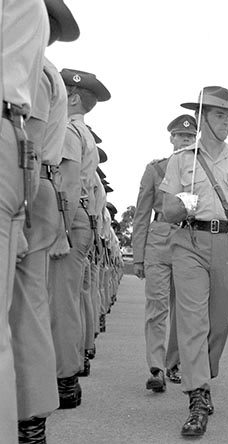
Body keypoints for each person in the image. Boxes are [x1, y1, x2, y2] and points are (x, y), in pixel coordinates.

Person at [160, 86, 228, 437]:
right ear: (203, 117)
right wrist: (179, 205)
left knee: (219, 323)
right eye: (220, 114)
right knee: (192, 321)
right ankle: (197, 395)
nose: (227, 121)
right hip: (189, 242)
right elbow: (166, 210)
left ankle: (204, 374)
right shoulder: (181, 160)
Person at [8, 1, 76, 441]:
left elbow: (26, 139)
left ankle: (28, 413)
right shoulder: (46, 68)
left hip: (28, 183)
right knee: (27, 304)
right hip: (37, 185)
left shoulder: (35, 67)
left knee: (22, 307)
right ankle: (30, 415)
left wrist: (18, 214)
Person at [48, 67, 109, 409]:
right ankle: (64, 374)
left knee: (62, 302)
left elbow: (69, 183)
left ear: (70, 97)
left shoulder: (70, 131)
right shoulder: (80, 131)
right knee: (65, 299)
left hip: (70, 220)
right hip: (78, 220)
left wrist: (61, 231)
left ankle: (65, 379)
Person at [133, 114, 196, 392]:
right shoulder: (155, 169)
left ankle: (175, 363)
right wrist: (138, 256)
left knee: (185, 309)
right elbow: (141, 214)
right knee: (157, 307)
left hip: (190, 240)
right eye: (181, 136)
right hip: (159, 241)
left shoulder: (200, 170)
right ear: (171, 138)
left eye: (190, 137)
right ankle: (156, 368)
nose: (185, 140)